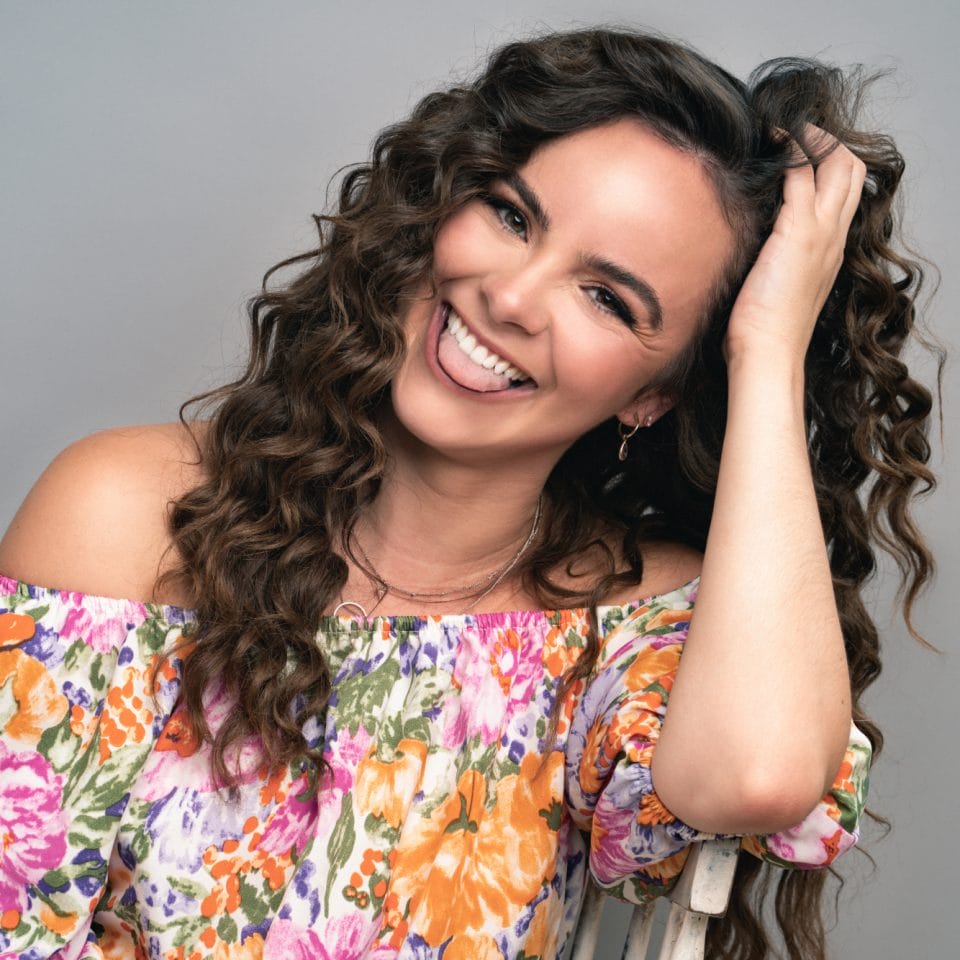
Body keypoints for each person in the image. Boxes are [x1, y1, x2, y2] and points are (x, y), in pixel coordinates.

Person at [0, 27, 935, 960]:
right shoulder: (127, 516)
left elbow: (760, 776)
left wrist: (767, 348)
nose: (512, 298)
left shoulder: (631, 618)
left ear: (654, 396)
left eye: (608, 298)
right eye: (513, 216)